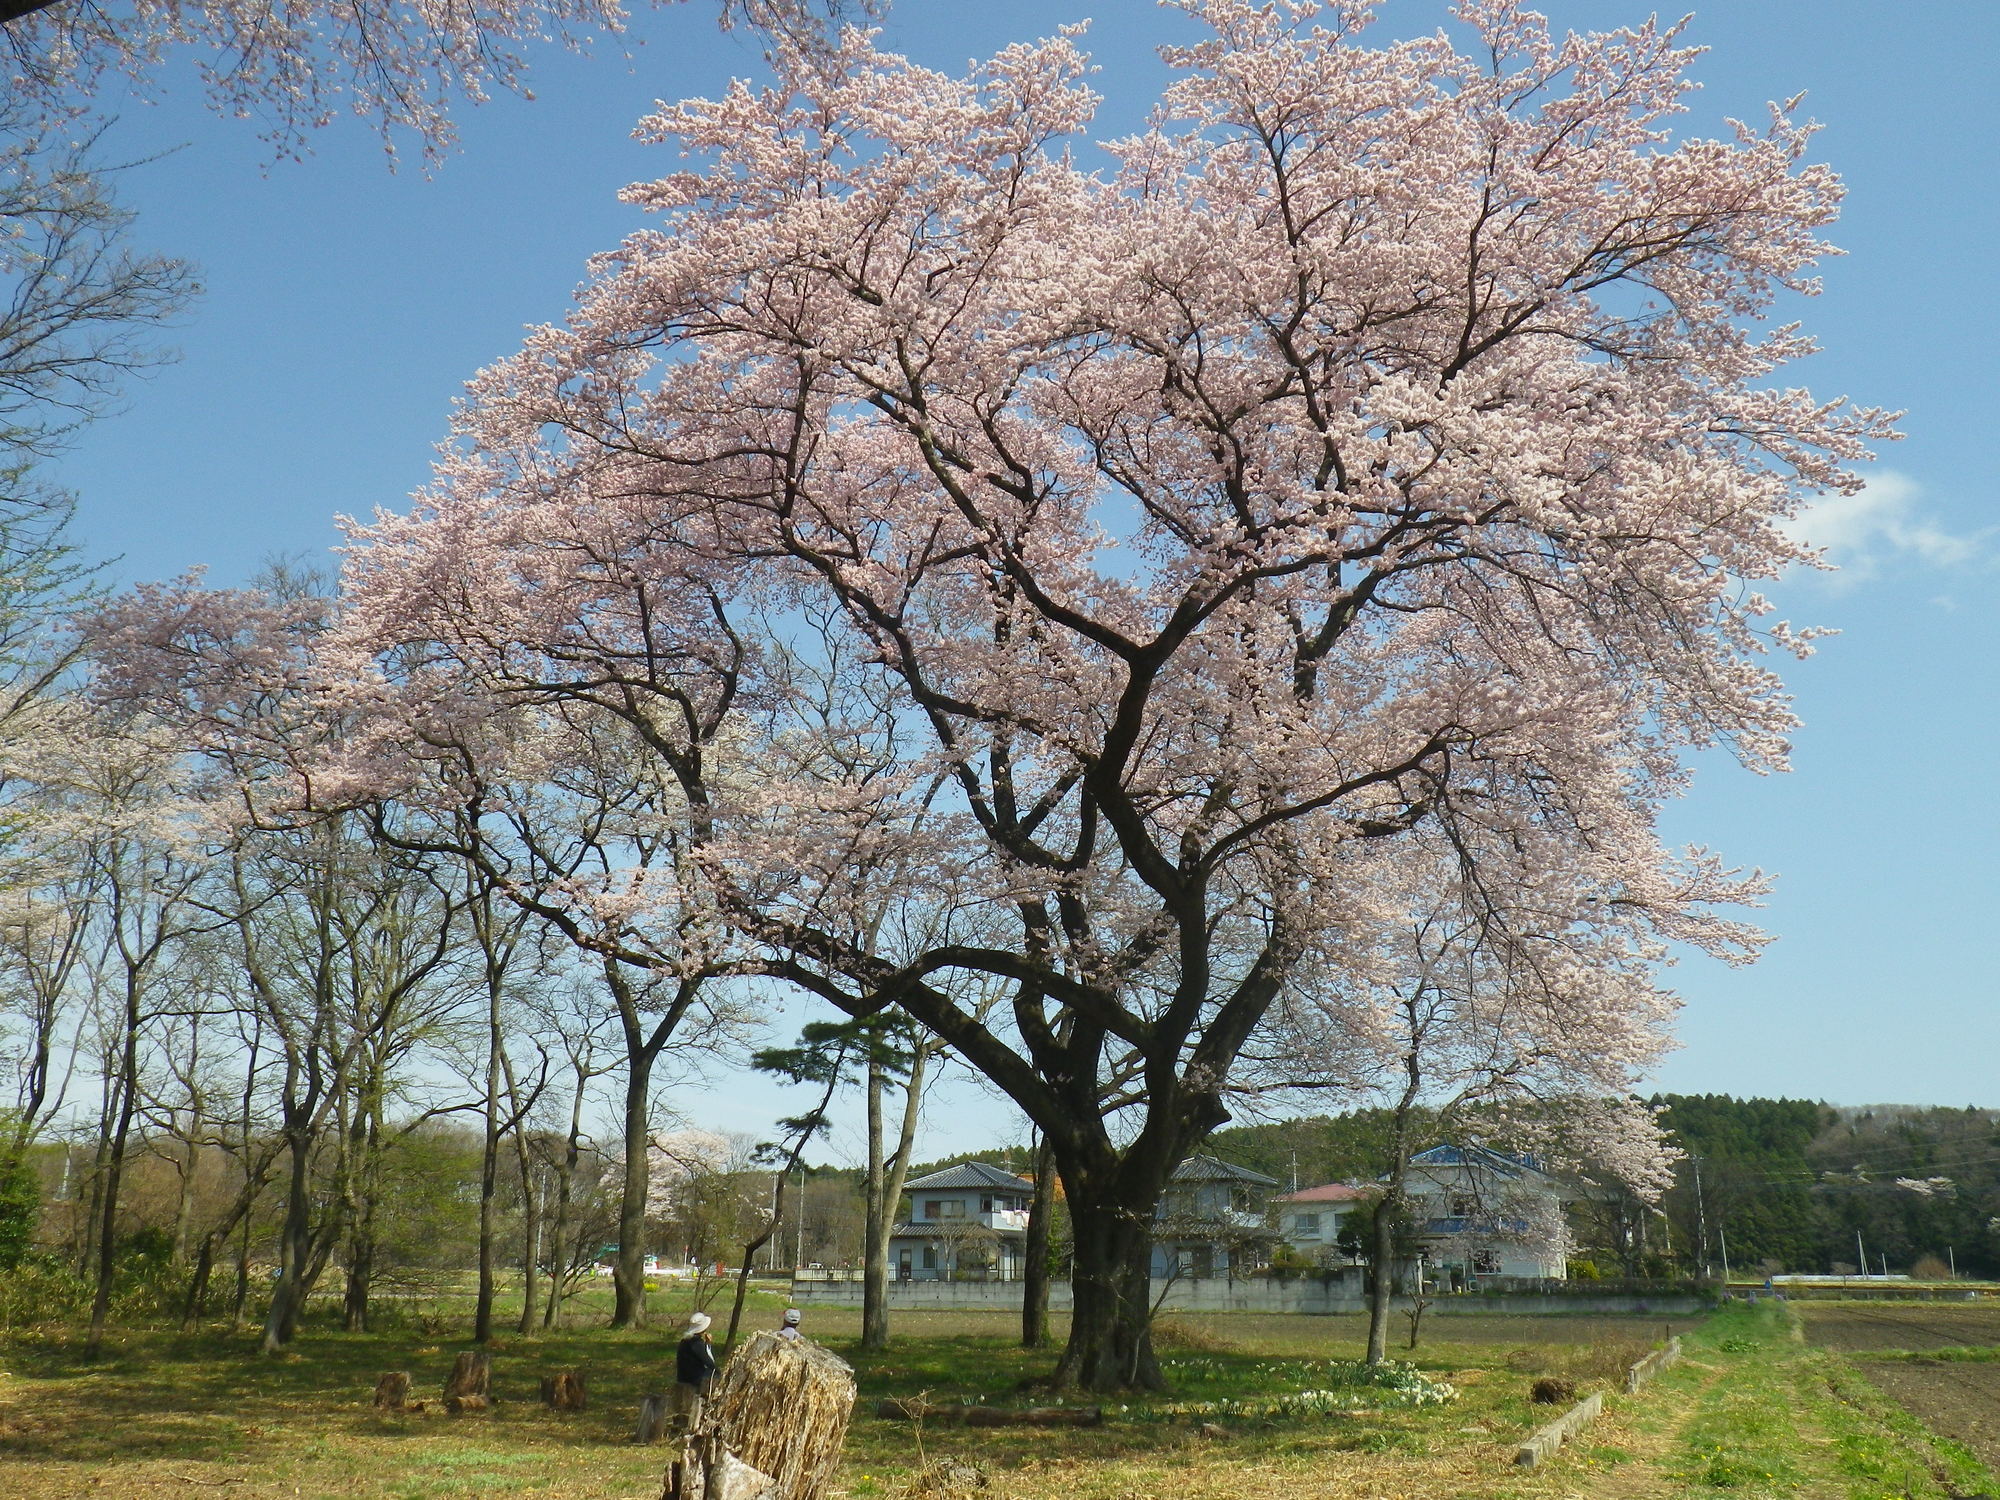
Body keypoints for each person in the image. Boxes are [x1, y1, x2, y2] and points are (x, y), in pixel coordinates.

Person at [673, 1311, 717, 1434]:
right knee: (715, 1378)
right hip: (694, 1379)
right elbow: (710, 1363)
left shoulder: (684, 1342)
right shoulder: (697, 1344)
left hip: (683, 1376)